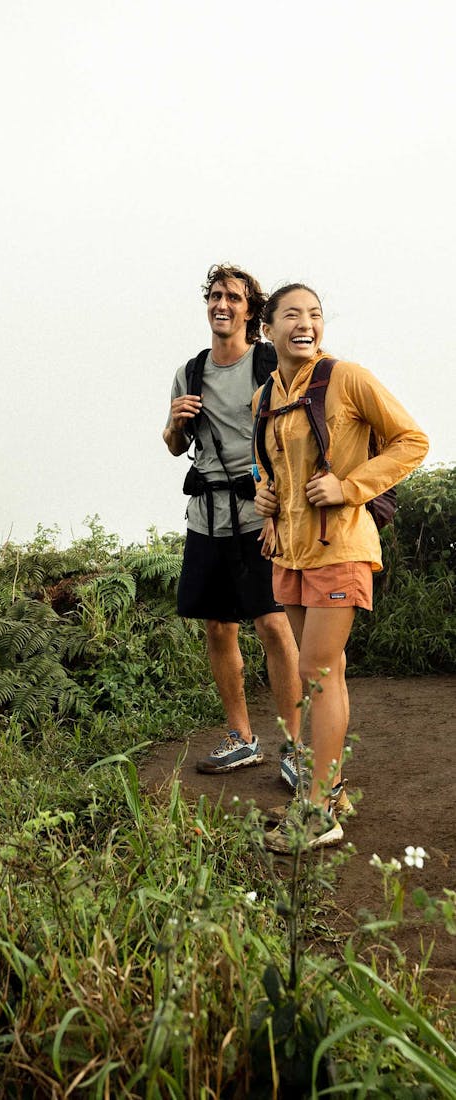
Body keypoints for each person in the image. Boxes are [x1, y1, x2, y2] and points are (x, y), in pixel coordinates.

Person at [252, 283, 429, 850]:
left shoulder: (347, 377)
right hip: (292, 551)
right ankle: (332, 788)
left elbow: (412, 441)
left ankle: (316, 809)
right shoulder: (264, 397)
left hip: (342, 546)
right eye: (292, 316)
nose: (306, 324)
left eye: (315, 315)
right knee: (323, 674)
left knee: (318, 673)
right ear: (267, 329)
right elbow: (270, 464)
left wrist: (350, 487)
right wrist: (266, 499)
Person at [163, 263, 302, 774]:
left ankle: (294, 747)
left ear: (251, 311)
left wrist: (280, 509)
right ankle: (242, 737)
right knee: (218, 627)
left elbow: (293, 438)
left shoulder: (270, 365)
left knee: (271, 623)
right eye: (215, 296)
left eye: (234, 298)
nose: (222, 305)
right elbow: (177, 447)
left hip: (261, 512)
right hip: (206, 517)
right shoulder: (190, 372)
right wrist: (176, 423)